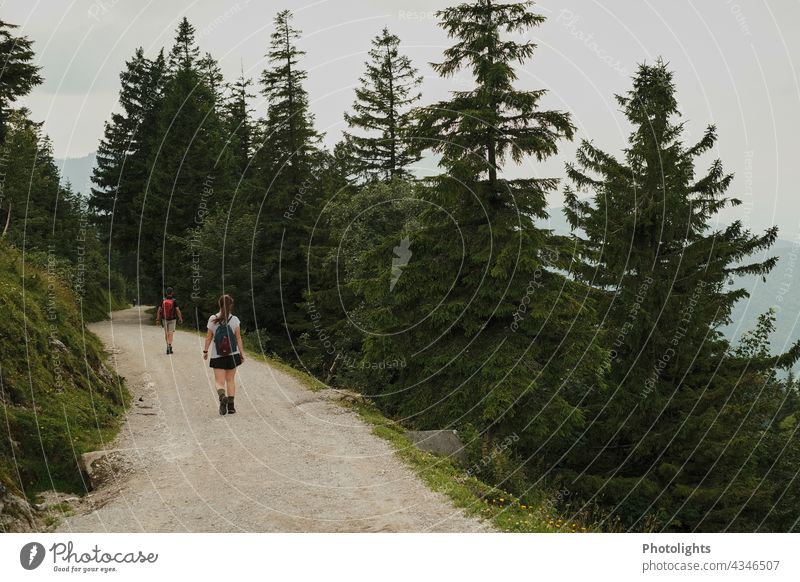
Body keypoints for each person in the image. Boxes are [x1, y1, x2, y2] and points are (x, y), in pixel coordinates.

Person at [203, 294, 245, 415]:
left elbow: (208, 337)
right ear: (231, 305)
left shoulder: (212, 319)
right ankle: (231, 407)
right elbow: (238, 338)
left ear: (219, 304)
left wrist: (205, 351)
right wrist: (242, 354)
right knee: (230, 380)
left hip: (218, 355)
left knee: (219, 382)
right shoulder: (235, 320)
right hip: (233, 354)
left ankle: (222, 397)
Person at [155, 287, 183, 354]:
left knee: (166, 332)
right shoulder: (174, 301)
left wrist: (157, 319)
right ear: (172, 293)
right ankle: (170, 346)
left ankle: (167, 346)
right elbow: (177, 310)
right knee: (171, 332)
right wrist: (180, 318)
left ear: (166, 293)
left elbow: (159, 310)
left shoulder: (163, 301)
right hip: (172, 319)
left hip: (164, 319)